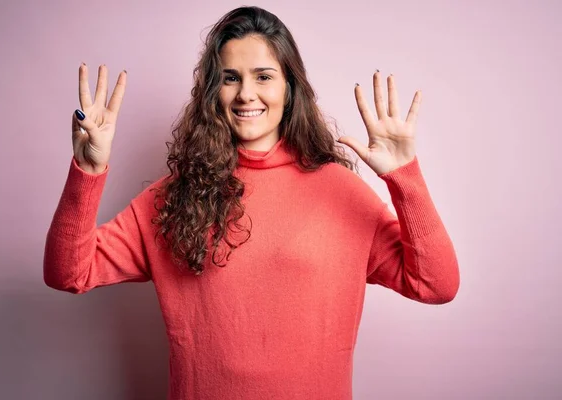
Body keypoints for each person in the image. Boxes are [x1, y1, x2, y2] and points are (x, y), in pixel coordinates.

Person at [43, 5, 460, 400]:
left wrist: (403, 176)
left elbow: (436, 285)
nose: (246, 94)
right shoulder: (175, 197)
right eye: (229, 78)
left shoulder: (342, 192)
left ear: (289, 87)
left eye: (263, 76)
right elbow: (67, 273)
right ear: (212, 91)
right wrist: (87, 170)